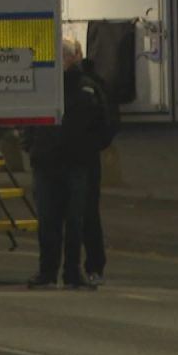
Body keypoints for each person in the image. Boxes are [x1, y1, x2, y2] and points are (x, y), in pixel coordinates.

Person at [24, 38, 105, 290]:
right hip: (47, 164)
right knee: (48, 221)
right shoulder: (44, 87)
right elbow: (28, 120)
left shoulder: (87, 88)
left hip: (75, 165)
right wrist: (32, 147)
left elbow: (104, 124)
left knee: (74, 221)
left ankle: (72, 271)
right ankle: (47, 271)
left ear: (69, 59)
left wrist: (87, 150)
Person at [75, 55, 119, 286]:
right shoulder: (55, 86)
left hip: (84, 160)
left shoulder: (90, 88)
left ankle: (93, 266)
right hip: (56, 158)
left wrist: (91, 147)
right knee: (61, 217)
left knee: (87, 215)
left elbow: (108, 123)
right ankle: (65, 269)